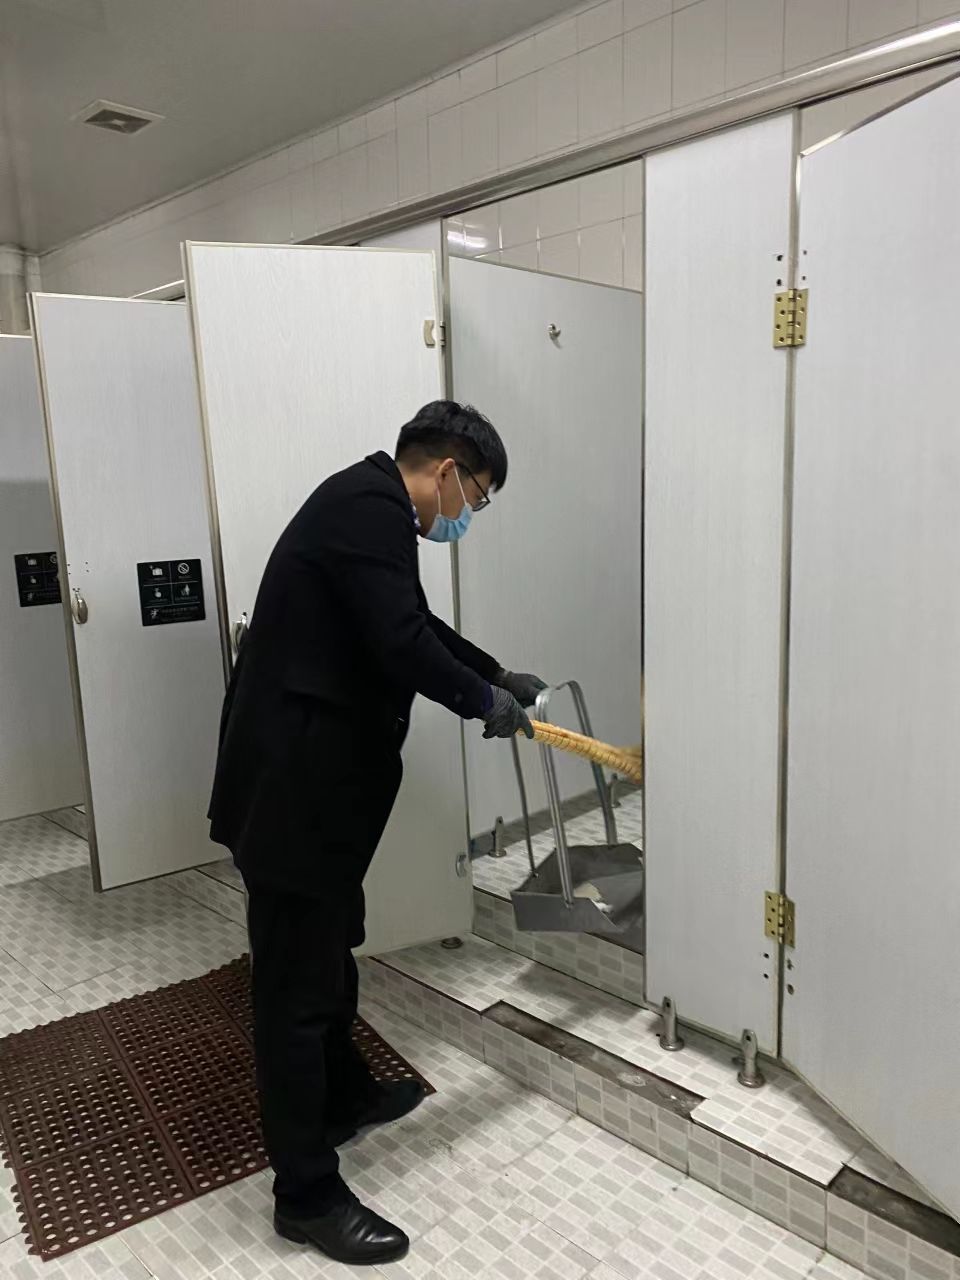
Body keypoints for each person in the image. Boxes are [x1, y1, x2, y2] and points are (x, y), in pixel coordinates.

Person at [208, 401, 546, 1266]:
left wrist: (493, 673)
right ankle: (305, 1195)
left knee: (331, 950)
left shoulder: (373, 509)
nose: (468, 514)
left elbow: (413, 625)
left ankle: (344, 1097)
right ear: (447, 472)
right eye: (477, 496)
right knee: (294, 988)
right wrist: (481, 701)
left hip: (318, 794)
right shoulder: (369, 509)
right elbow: (400, 644)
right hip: (292, 796)